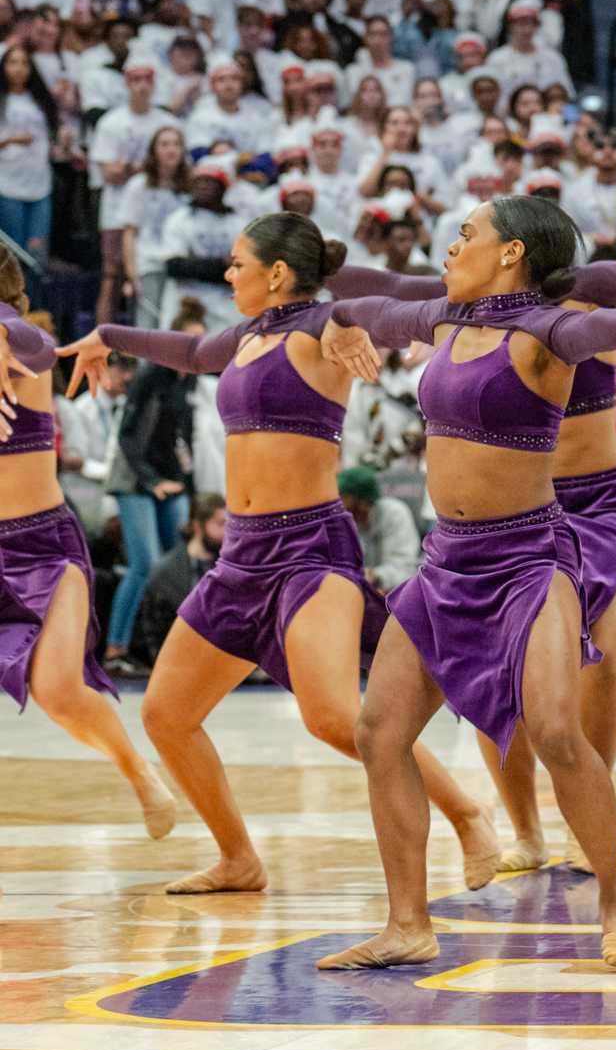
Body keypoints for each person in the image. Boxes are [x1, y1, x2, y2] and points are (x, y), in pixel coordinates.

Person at [307, 196, 616, 970]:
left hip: (529, 561)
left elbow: (588, 328)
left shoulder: (542, 334)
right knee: (379, 731)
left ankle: (615, 903)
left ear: (510, 254)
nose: (451, 244)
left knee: (559, 731)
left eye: (468, 233)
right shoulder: (445, 319)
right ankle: (408, 922)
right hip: (447, 561)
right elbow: (370, 304)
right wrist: (337, 319)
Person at [60, 214, 503, 895]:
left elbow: (391, 308)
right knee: (166, 712)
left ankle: (468, 813)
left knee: (331, 717)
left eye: (238, 263)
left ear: (277, 272)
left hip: (310, 552)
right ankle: (238, 857)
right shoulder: (244, 336)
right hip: (239, 557)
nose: (228, 274)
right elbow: (191, 351)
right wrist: (110, 335)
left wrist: (345, 313)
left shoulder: (327, 329)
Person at [0, 252, 176, 838]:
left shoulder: (23, 342)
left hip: (39, 544)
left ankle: (141, 774)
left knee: (58, 689)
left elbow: (35, 340)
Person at [104, 294, 200, 668]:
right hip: (133, 477)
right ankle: (115, 649)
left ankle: (169, 648)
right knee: (143, 564)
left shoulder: (186, 382)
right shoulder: (149, 375)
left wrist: (183, 484)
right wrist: (150, 481)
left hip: (167, 478)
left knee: (175, 564)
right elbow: (128, 436)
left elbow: (181, 439)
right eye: (190, 340)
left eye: (201, 340)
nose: (196, 348)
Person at [132, 492, 224, 666]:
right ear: (198, 526)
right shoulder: (165, 573)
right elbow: (152, 629)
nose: (227, 532)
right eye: (220, 524)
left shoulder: (230, 568)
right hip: (177, 662)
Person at [338, 466, 421, 591]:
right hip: (364, 594)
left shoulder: (394, 513)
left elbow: (405, 568)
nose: (337, 501)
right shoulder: (346, 520)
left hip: (398, 596)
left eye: (343, 496)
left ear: (361, 500)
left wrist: (376, 576)